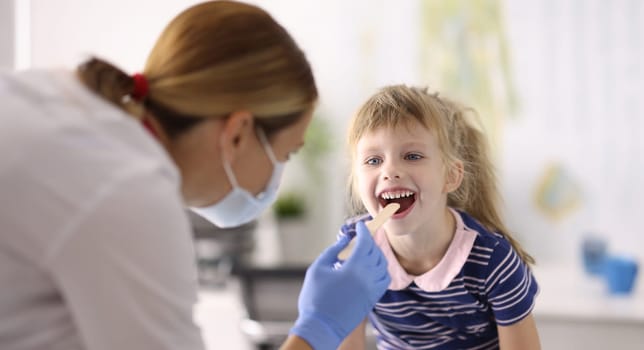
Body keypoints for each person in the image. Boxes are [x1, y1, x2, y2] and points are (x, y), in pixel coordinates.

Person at [0, 1, 390, 350]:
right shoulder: (126, 195)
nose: (277, 177)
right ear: (237, 133)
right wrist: (318, 328)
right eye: (285, 154)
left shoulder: (60, 97)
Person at [337, 85, 541, 349]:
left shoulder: (494, 261)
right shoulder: (354, 246)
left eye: (412, 156)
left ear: (451, 175)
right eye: (373, 160)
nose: (390, 171)